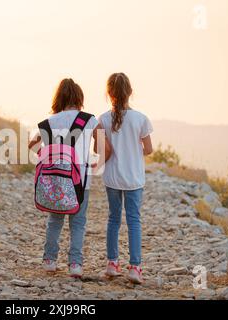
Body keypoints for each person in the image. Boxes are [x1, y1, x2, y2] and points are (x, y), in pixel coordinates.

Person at [28, 78, 99, 278]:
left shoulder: (48, 122)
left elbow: (31, 146)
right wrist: (96, 162)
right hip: (81, 181)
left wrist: (48, 155)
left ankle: (49, 260)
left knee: (54, 220)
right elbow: (101, 146)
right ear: (79, 97)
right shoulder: (89, 120)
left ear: (58, 98)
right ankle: (75, 264)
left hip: (53, 181)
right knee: (78, 223)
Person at [97, 73, 153, 284]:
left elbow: (102, 150)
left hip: (112, 177)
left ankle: (112, 264)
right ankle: (135, 268)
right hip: (134, 179)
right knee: (133, 221)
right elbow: (148, 150)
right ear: (130, 92)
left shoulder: (102, 119)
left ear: (109, 93)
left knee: (113, 219)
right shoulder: (141, 119)